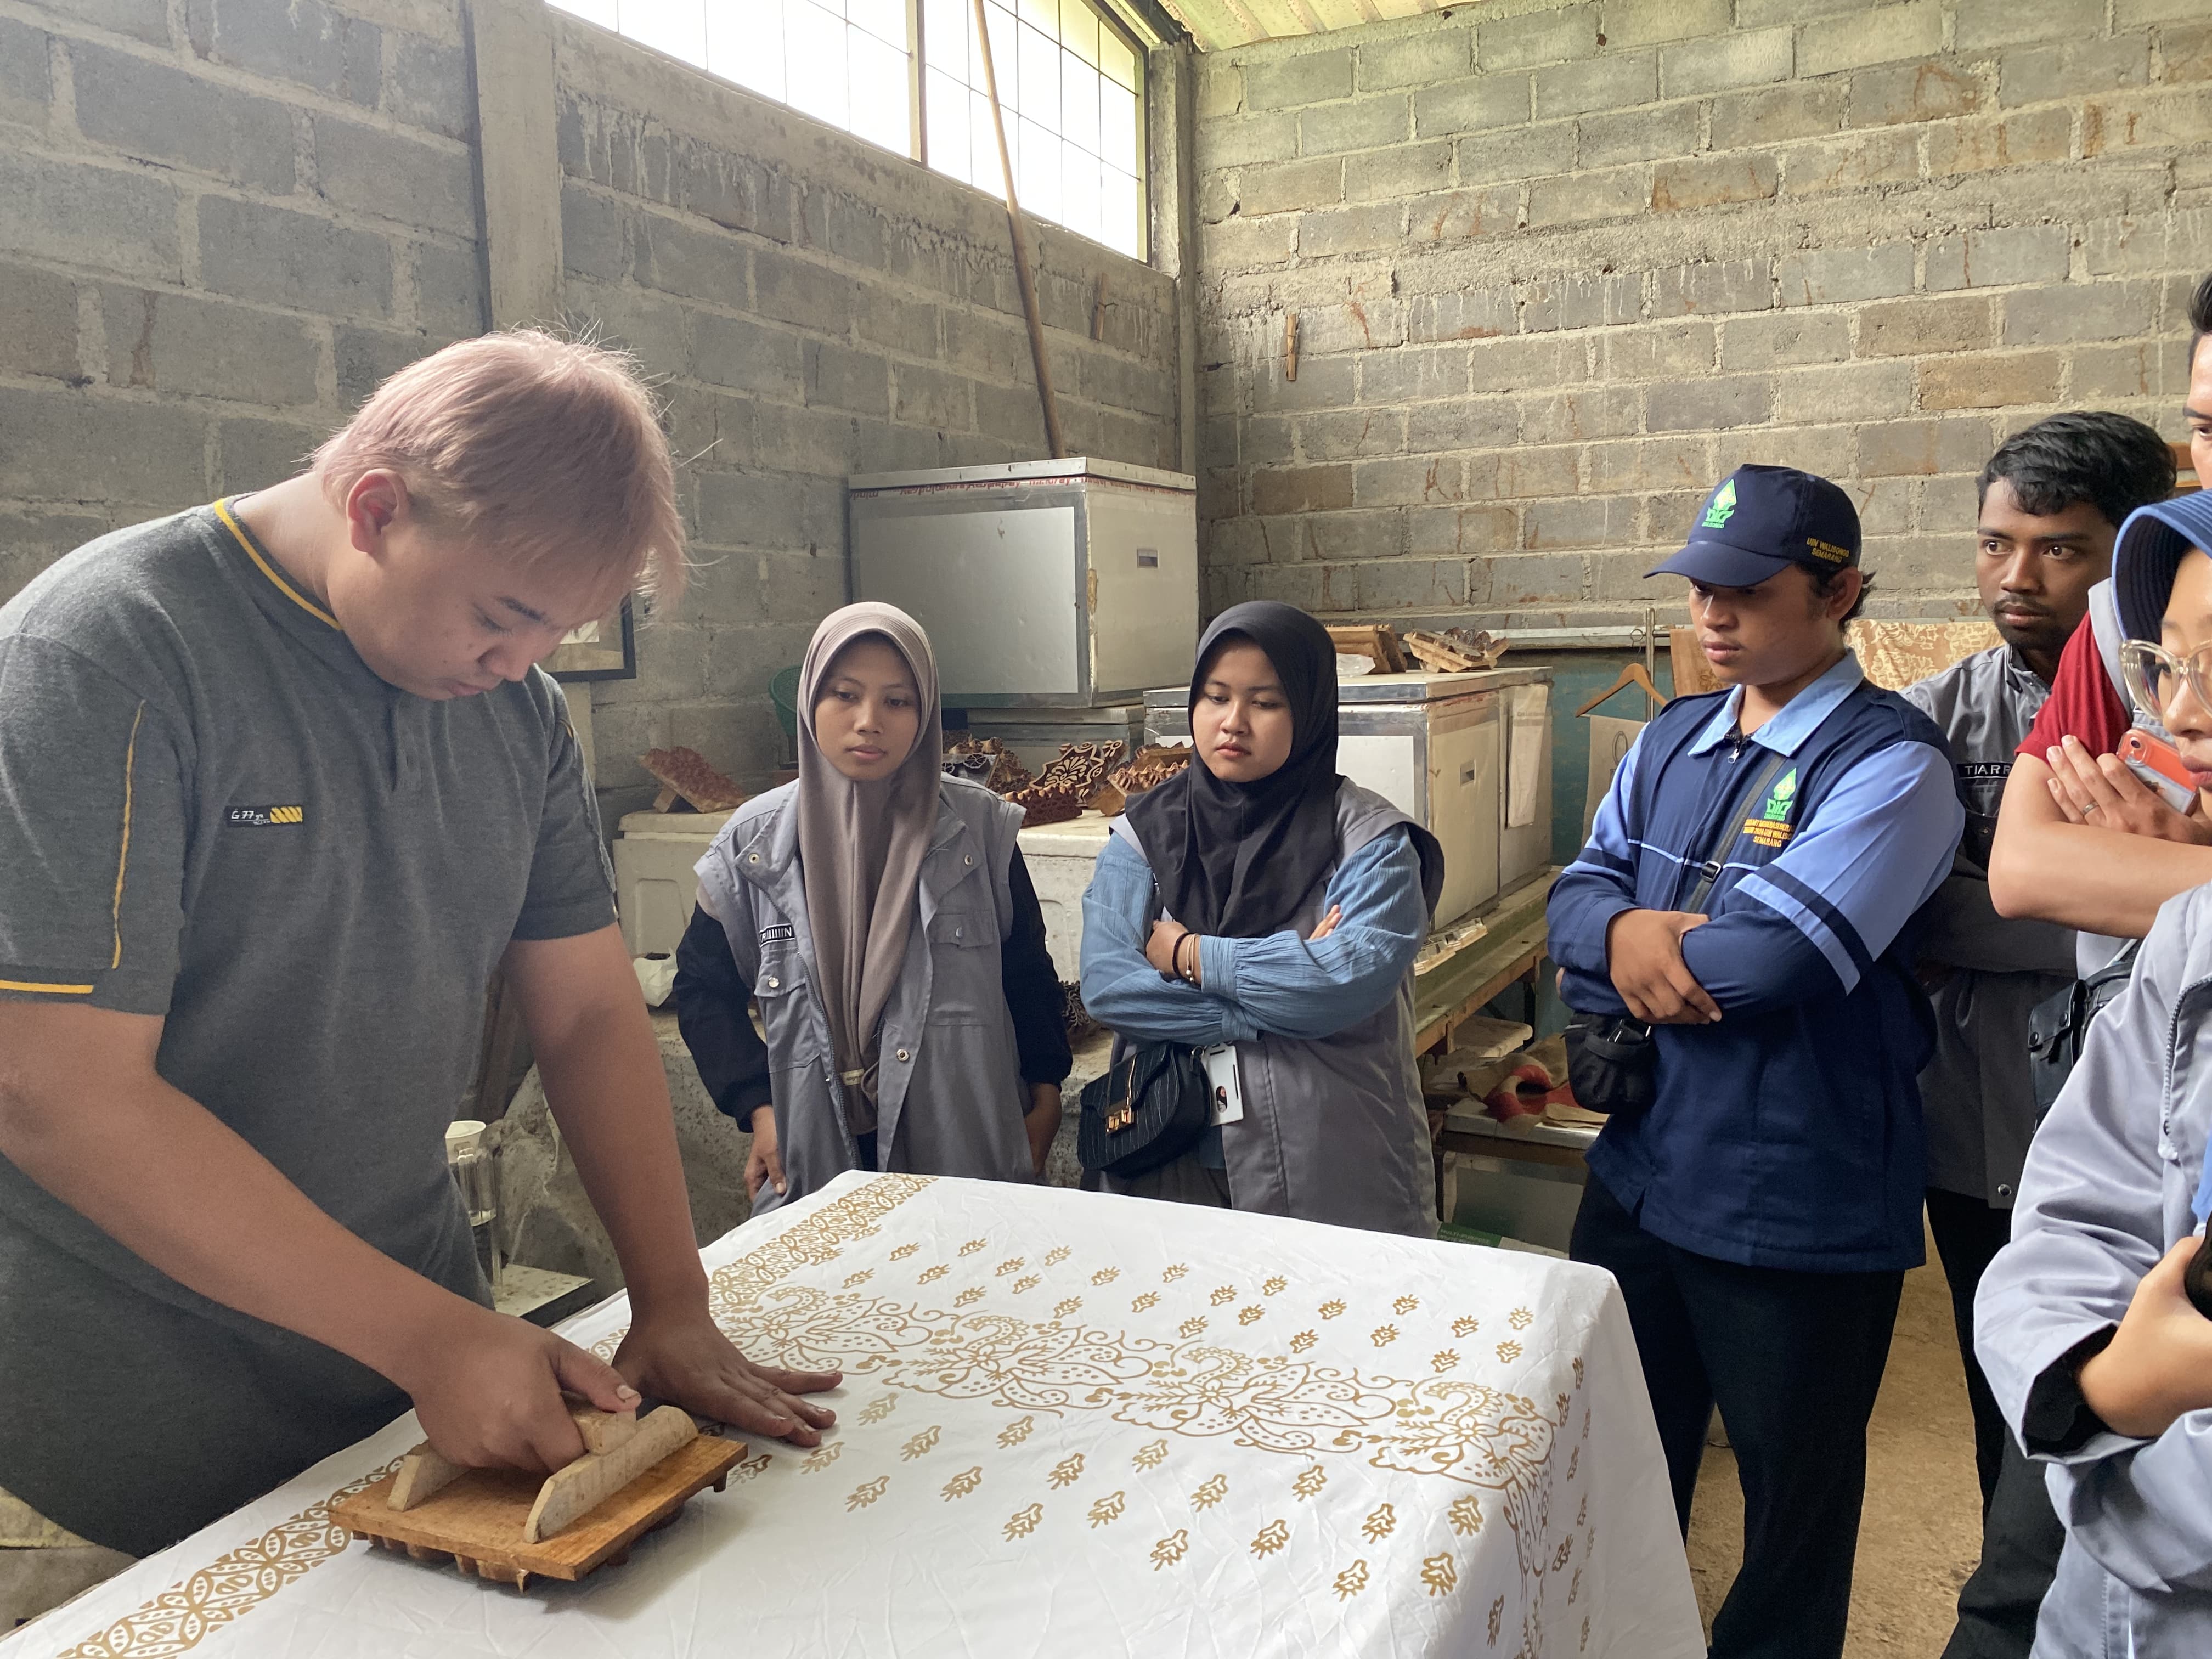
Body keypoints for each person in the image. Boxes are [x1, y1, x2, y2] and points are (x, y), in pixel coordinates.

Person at [0, 331, 839, 1622]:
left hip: (408, 1393)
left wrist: (673, 1299)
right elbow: (57, 1093)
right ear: (379, 507)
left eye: (553, 635)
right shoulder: (108, 657)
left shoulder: (509, 717)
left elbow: (590, 1008)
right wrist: (434, 1337)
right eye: (503, 617)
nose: (519, 664)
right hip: (122, 1436)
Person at [1547, 464, 1965, 1659]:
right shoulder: (1673, 739)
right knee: (1622, 1465)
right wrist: (1629, 933)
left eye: (1746, 590)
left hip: (1796, 1202)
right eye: (1697, 590)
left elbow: (1781, 966)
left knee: (1789, 1517)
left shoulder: (1893, 768)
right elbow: (1574, 909)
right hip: (1641, 1173)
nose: (1712, 616)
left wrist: (1628, 938)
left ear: (1840, 594)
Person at [1905, 414, 2176, 1659]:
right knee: (2009, 1398)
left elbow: (1988, 900)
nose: (2018, 579)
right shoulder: (1932, 715)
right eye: (1996, 545)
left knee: (2145, 1435)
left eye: (2060, 551)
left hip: (2130, 1145)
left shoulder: (2164, 718)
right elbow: (1918, 910)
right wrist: (2110, 884)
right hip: (1975, 1133)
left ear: (2133, 551)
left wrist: (2049, 887)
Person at [1973, 489, 2212, 1657]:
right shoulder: (2188, 942)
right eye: (2167, 666)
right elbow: (2071, 1221)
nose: (2178, 716)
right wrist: (2112, 1392)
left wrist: (2118, 1464)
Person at [679, 603, 1069, 1212]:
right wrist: (758, 1106)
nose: (868, 722)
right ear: (811, 700)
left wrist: (1046, 1092)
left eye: (897, 701)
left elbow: (1026, 973)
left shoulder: (979, 831)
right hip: (815, 1153)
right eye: (845, 695)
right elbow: (702, 991)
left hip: (963, 1149)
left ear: (926, 712)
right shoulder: (752, 846)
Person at [1077, 601, 1444, 1237]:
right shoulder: (1144, 835)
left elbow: (1348, 981)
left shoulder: (1370, 839)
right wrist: (1278, 1003)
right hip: (1168, 1152)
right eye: (1215, 697)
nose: (1233, 723)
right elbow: (1109, 985)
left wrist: (1193, 957)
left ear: (1309, 711)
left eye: (1266, 703)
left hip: (1329, 1166)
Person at [1989, 272, 2212, 942]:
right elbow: (2024, 867)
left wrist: (2162, 866)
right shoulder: (2129, 606)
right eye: (2207, 430)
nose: (2178, 711)